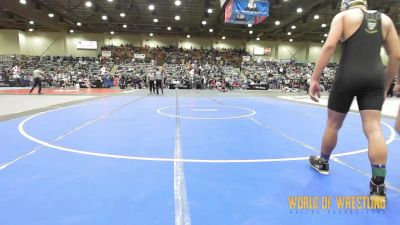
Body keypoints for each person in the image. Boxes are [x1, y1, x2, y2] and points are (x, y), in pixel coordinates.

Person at [308, 0, 400, 200]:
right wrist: (388, 86)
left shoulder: (342, 17)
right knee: (374, 128)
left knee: (333, 124)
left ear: (346, 4)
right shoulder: (384, 19)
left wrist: (315, 78)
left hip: (347, 76)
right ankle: (378, 185)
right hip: (375, 77)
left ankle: (323, 162)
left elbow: (329, 45)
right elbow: (396, 55)